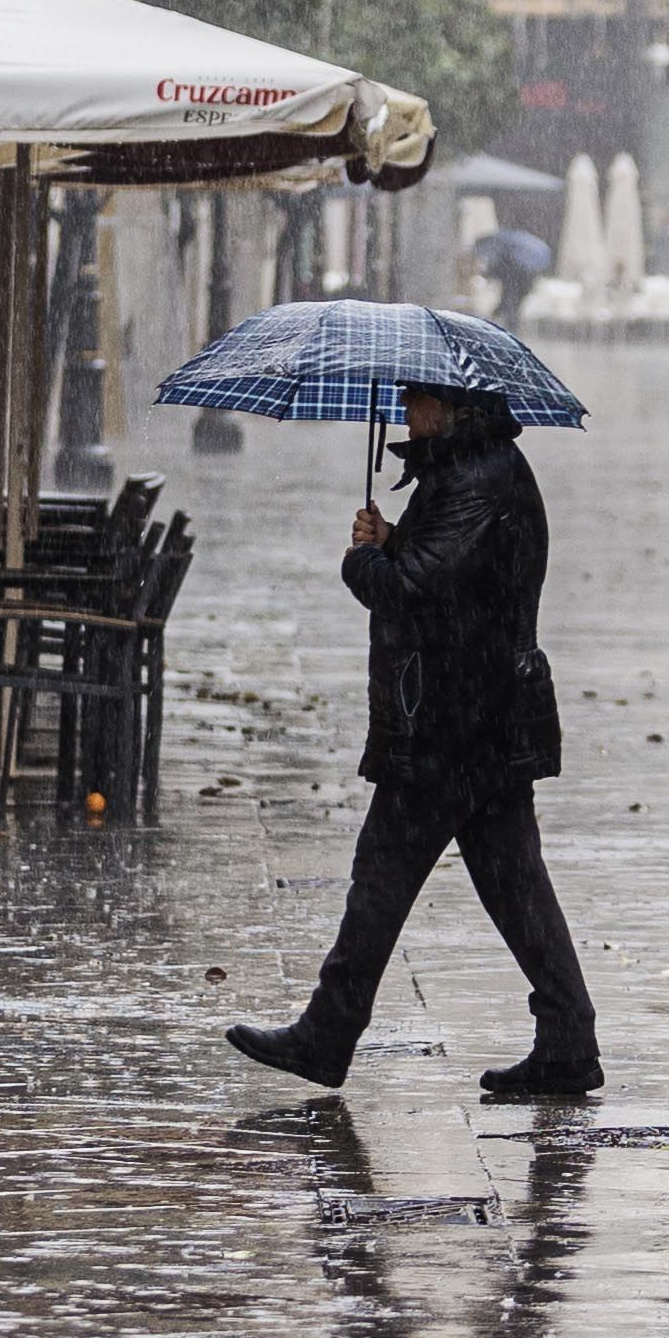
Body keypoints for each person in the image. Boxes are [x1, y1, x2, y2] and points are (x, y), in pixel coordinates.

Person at [226, 380, 600, 1100]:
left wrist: (363, 560)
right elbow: (452, 569)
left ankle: (328, 1034)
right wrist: (395, 538)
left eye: (414, 400)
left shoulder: (477, 477)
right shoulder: (475, 471)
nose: (404, 413)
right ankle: (568, 1039)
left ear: (450, 408)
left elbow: (415, 588)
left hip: (455, 725)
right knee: (514, 886)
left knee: (384, 877)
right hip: (478, 717)